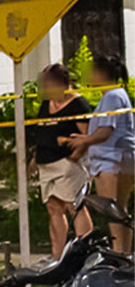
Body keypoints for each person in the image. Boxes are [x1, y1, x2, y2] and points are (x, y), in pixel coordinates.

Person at [68, 55, 134, 253]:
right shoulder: (117, 95)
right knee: (122, 211)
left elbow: (105, 131)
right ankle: (125, 254)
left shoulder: (112, 96)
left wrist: (83, 141)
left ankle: (118, 254)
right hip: (122, 158)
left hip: (110, 161)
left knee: (112, 211)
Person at [32, 64, 94, 259]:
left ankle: (84, 251)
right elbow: (42, 132)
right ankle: (58, 256)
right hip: (46, 163)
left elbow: (86, 136)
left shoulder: (78, 104)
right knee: (53, 207)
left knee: (74, 205)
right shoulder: (46, 105)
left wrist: (74, 157)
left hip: (68, 164)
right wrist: (35, 158)